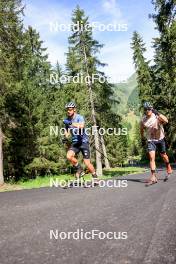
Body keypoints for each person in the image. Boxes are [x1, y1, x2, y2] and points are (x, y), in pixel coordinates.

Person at [63, 102, 98, 182]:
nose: (68, 111)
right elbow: (67, 132)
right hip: (75, 143)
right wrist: (65, 137)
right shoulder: (67, 120)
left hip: (83, 142)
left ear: (74, 110)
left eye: (70, 109)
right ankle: (80, 168)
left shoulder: (79, 117)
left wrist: (71, 123)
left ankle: (95, 176)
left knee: (87, 163)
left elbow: (82, 126)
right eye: (67, 110)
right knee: (69, 156)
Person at [140, 102, 173, 186]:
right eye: (146, 109)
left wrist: (157, 112)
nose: (147, 111)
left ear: (152, 109)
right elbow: (141, 129)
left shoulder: (156, 116)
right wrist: (142, 138)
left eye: (149, 109)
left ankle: (168, 166)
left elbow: (166, 120)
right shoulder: (143, 120)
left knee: (163, 155)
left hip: (160, 139)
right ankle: (153, 177)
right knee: (152, 157)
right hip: (151, 140)